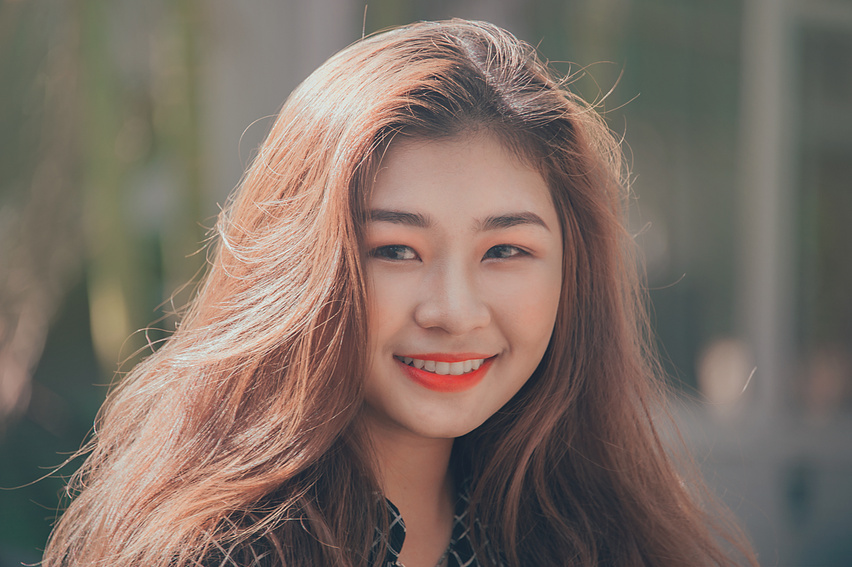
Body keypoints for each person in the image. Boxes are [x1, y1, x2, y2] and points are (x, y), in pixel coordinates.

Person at [43, 19, 757, 567]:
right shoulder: (207, 550)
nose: (452, 309)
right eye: (395, 250)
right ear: (301, 270)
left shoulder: (612, 539)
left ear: (574, 272)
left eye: (505, 250)